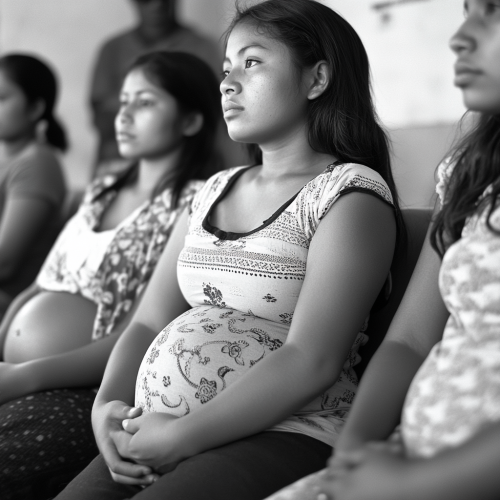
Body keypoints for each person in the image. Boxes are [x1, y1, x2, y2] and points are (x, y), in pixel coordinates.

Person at [55, 1, 403, 499]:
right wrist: (105, 409)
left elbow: (312, 358)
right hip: (156, 430)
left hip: (287, 431)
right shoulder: (212, 190)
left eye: (253, 62)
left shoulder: (348, 195)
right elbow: (148, 323)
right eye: (226, 68)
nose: (227, 83)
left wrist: (179, 437)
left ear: (317, 78)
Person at [263, 1, 500, 499]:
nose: (459, 37)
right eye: (468, 10)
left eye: (493, 11)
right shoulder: (471, 173)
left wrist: (412, 484)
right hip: (403, 460)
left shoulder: (348, 193)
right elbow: (410, 340)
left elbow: (311, 356)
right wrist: (349, 460)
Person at [0, 51, 221, 500]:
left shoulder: (197, 203)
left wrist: (22, 377)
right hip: (20, 374)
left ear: (191, 121)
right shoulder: (102, 188)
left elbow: (141, 327)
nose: (123, 116)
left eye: (144, 103)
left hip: (87, 390)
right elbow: (43, 283)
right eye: (122, 102)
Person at [90, 0, 221, 172]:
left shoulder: (203, 47)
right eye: (124, 101)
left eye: (146, 102)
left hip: (189, 166)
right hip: (115, 164)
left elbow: (215, 110)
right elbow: (101, 116)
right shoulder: (113, 49)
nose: (157, 5)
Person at [0, 54, 66, 317]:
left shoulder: (37, 163)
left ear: (35, 108)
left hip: (12, 305)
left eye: (2, 98)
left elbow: (4, 265)